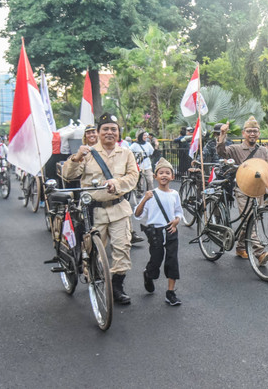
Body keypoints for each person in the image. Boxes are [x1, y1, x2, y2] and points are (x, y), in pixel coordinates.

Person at [62, 113, 139, 305]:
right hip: (93, 211)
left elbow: (133, 176)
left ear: (118, 132)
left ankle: (117, 287)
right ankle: (95, 280)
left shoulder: (126, 153)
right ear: (98, 132)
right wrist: (76, 157)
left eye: (113, 129)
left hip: (119, 208)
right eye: (105, 129)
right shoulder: (87, 153)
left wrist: (117, 183)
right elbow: (68, 175)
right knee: (93, 251)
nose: (110, 132)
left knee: (123, 248)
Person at [217, 116, 268, 262]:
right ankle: (259, 252)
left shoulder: (263, 150)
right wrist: (223, 135)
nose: (252, 134)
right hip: (242, 189)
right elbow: (222, 152)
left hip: (259, 189)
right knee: (249, 220)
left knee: (252, 218)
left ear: (259, 133)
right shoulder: (236, 148)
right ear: (244, 133)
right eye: (249, 131)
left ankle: (241, 247)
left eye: (255, 131)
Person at [135, 158, 183, 306]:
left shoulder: (174, 194)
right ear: (155, 176)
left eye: (167, 173)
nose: (164, 175)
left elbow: (179, 212)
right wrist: (144, 199)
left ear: (172, 177)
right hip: (155, 232)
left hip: (170, 230)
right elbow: (137, 214)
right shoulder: (151, 194)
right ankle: (148, 274)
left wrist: (176, 221)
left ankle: (170, 292)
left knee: (172, 260)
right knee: (156, 259)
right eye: (161, 172)